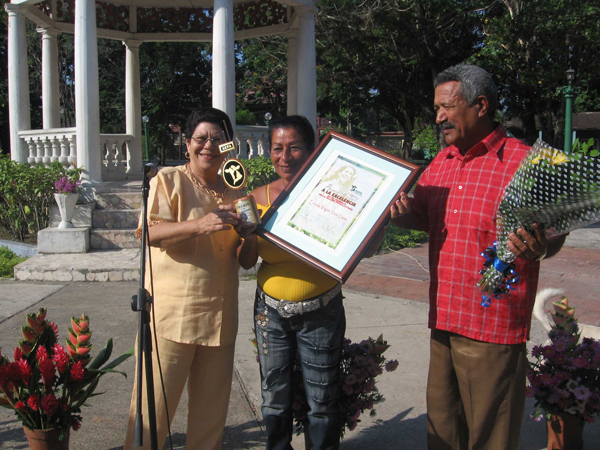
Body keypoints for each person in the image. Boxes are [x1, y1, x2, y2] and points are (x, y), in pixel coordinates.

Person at [390, 65, 566, 449]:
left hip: (493, 328)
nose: (438, 117)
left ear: (481, 105)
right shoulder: (442, 162)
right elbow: (425, 216)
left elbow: (552, 236)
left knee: (491, 437)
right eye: (437, 108)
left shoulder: (525, 164)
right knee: (443, 429)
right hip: (445, 320)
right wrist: (402, 212)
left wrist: (541, 246)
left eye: (447, 107)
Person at [238, 115, 383, 450]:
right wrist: (248, 235)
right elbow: (245, 263)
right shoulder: (254, 198)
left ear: (314, 149)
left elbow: (368, 249)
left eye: (295, 148)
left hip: (322, 309)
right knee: (274, 396)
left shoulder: (334, 196)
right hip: (269, 313)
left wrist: (382, 220)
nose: (284, 157)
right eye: (277, 148)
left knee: (323, 400)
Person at [124, 107, 254, 450]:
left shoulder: (235, 190)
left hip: (220, 321)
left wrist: (252, 235)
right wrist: (201, 223)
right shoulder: (168, 179)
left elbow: (246, 260)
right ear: (187, 143)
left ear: (229, 147)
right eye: (201, 138)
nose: (209, 146)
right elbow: (148, 233)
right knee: (151, 417)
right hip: (172, 319)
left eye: (218, 139)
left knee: (210, 423)